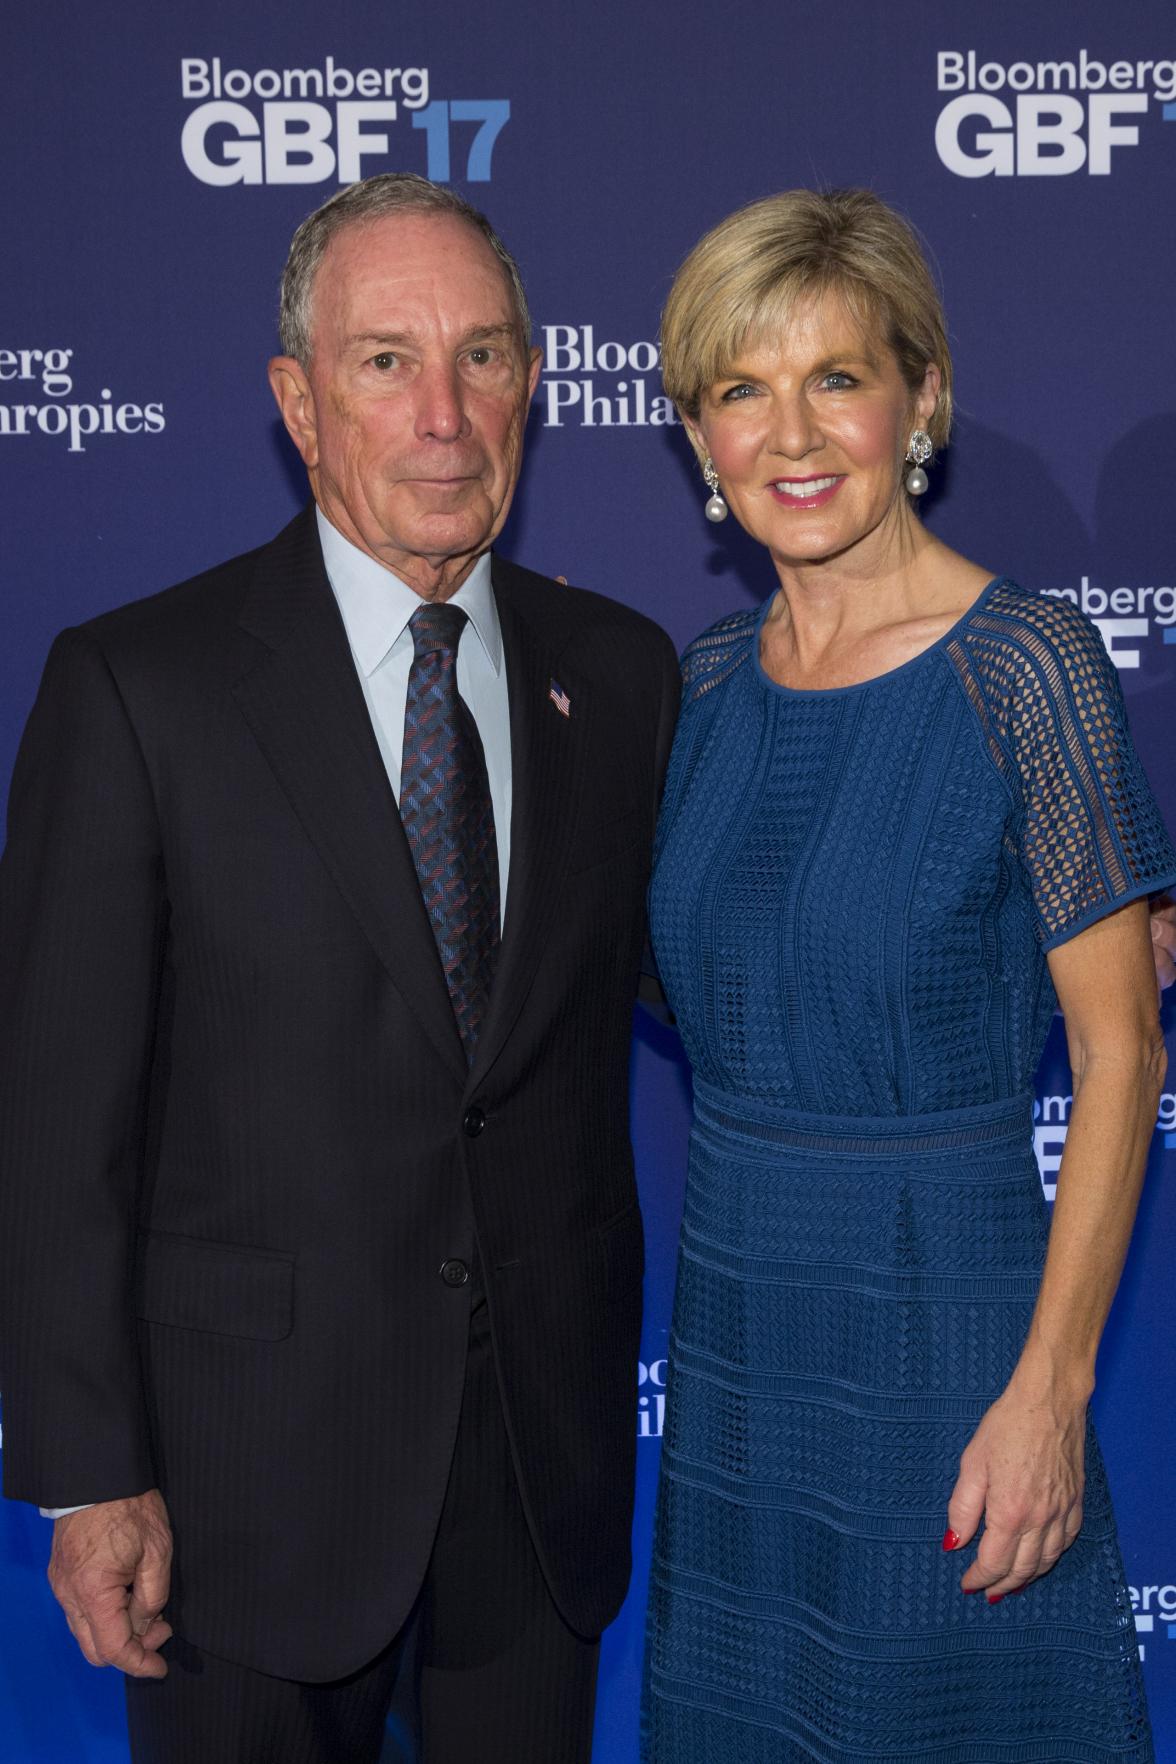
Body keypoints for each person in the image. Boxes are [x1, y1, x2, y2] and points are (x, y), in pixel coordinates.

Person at [0, 173, 680, 1764]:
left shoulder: (625, 674)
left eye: (487, 356)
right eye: (386, 361)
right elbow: (53, 1118)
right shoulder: (136, 687)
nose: (446, 413)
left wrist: (1044, 932)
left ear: (534, 384)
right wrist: (91, 1474)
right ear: (299, 404)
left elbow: (710, 969)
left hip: (540, 1480)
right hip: (246, 1499)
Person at [642, 187, 1176, 1761]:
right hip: (743, 1323)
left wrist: (1051, 1393)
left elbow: (1123, 1053)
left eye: (839, 378)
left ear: (921, 400)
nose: (793, 434)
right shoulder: (710, 684)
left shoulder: (1029, 666)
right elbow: (702, 975)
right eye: (741, 389)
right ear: (697, 442)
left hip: (944, 1316)